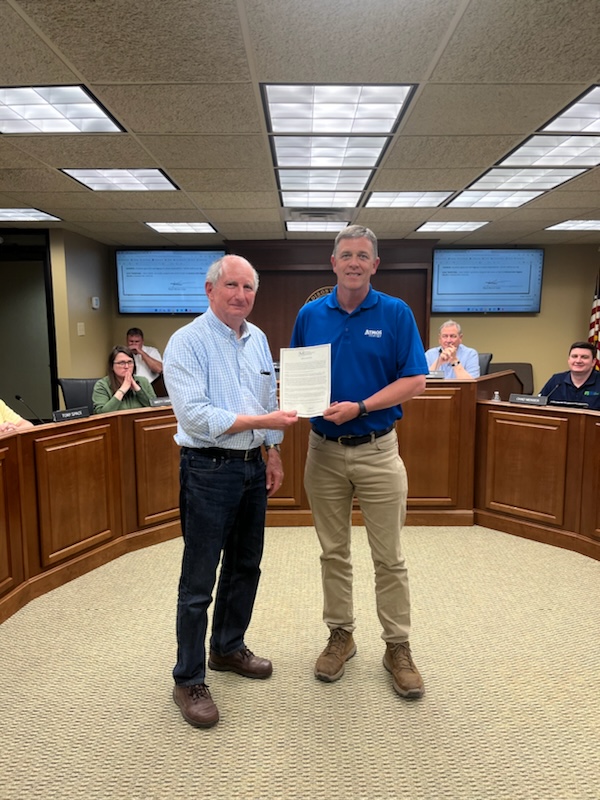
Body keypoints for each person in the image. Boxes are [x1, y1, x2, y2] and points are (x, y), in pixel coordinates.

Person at [290, 225, 428, 700]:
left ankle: (397, 646)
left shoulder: (395, 313)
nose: (353, 262)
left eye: (362, 255)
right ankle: (341, 635)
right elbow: (298, 376)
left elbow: (415, 381)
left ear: (374, 264)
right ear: (333, 263)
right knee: (333, 552)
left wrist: (361, 407)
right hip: (323, 453)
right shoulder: (310, 315)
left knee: (389, 557)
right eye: (345, 254)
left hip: (377, 449)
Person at [163, 254, 298, 729]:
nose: (241, 296)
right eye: (232, 286)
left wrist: (273, 450)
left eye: (248, 288)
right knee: (198, 580)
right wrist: (265, 424)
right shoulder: (186, 342)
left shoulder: (258, 338)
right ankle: (188, 679)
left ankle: (227, 648)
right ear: (210, 289)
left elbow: (269, 401)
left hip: (250, 469)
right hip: (206, 469)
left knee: (245, 565)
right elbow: (195, 416)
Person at [92, 346, 156, 414]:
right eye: (121, 363)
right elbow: (100, 414)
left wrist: (138, 390)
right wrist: (122, 390)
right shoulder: (102, 385)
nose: (126, 367)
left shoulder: (143, 381)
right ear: (111, 366)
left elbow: (155, 407)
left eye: (130, 362)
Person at [539, 341, 600, 410]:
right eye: (574, 356)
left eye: (584, 357)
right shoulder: (556, 381)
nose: (578, 361)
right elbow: (539, 404)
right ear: (569, 360)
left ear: (593, 362)